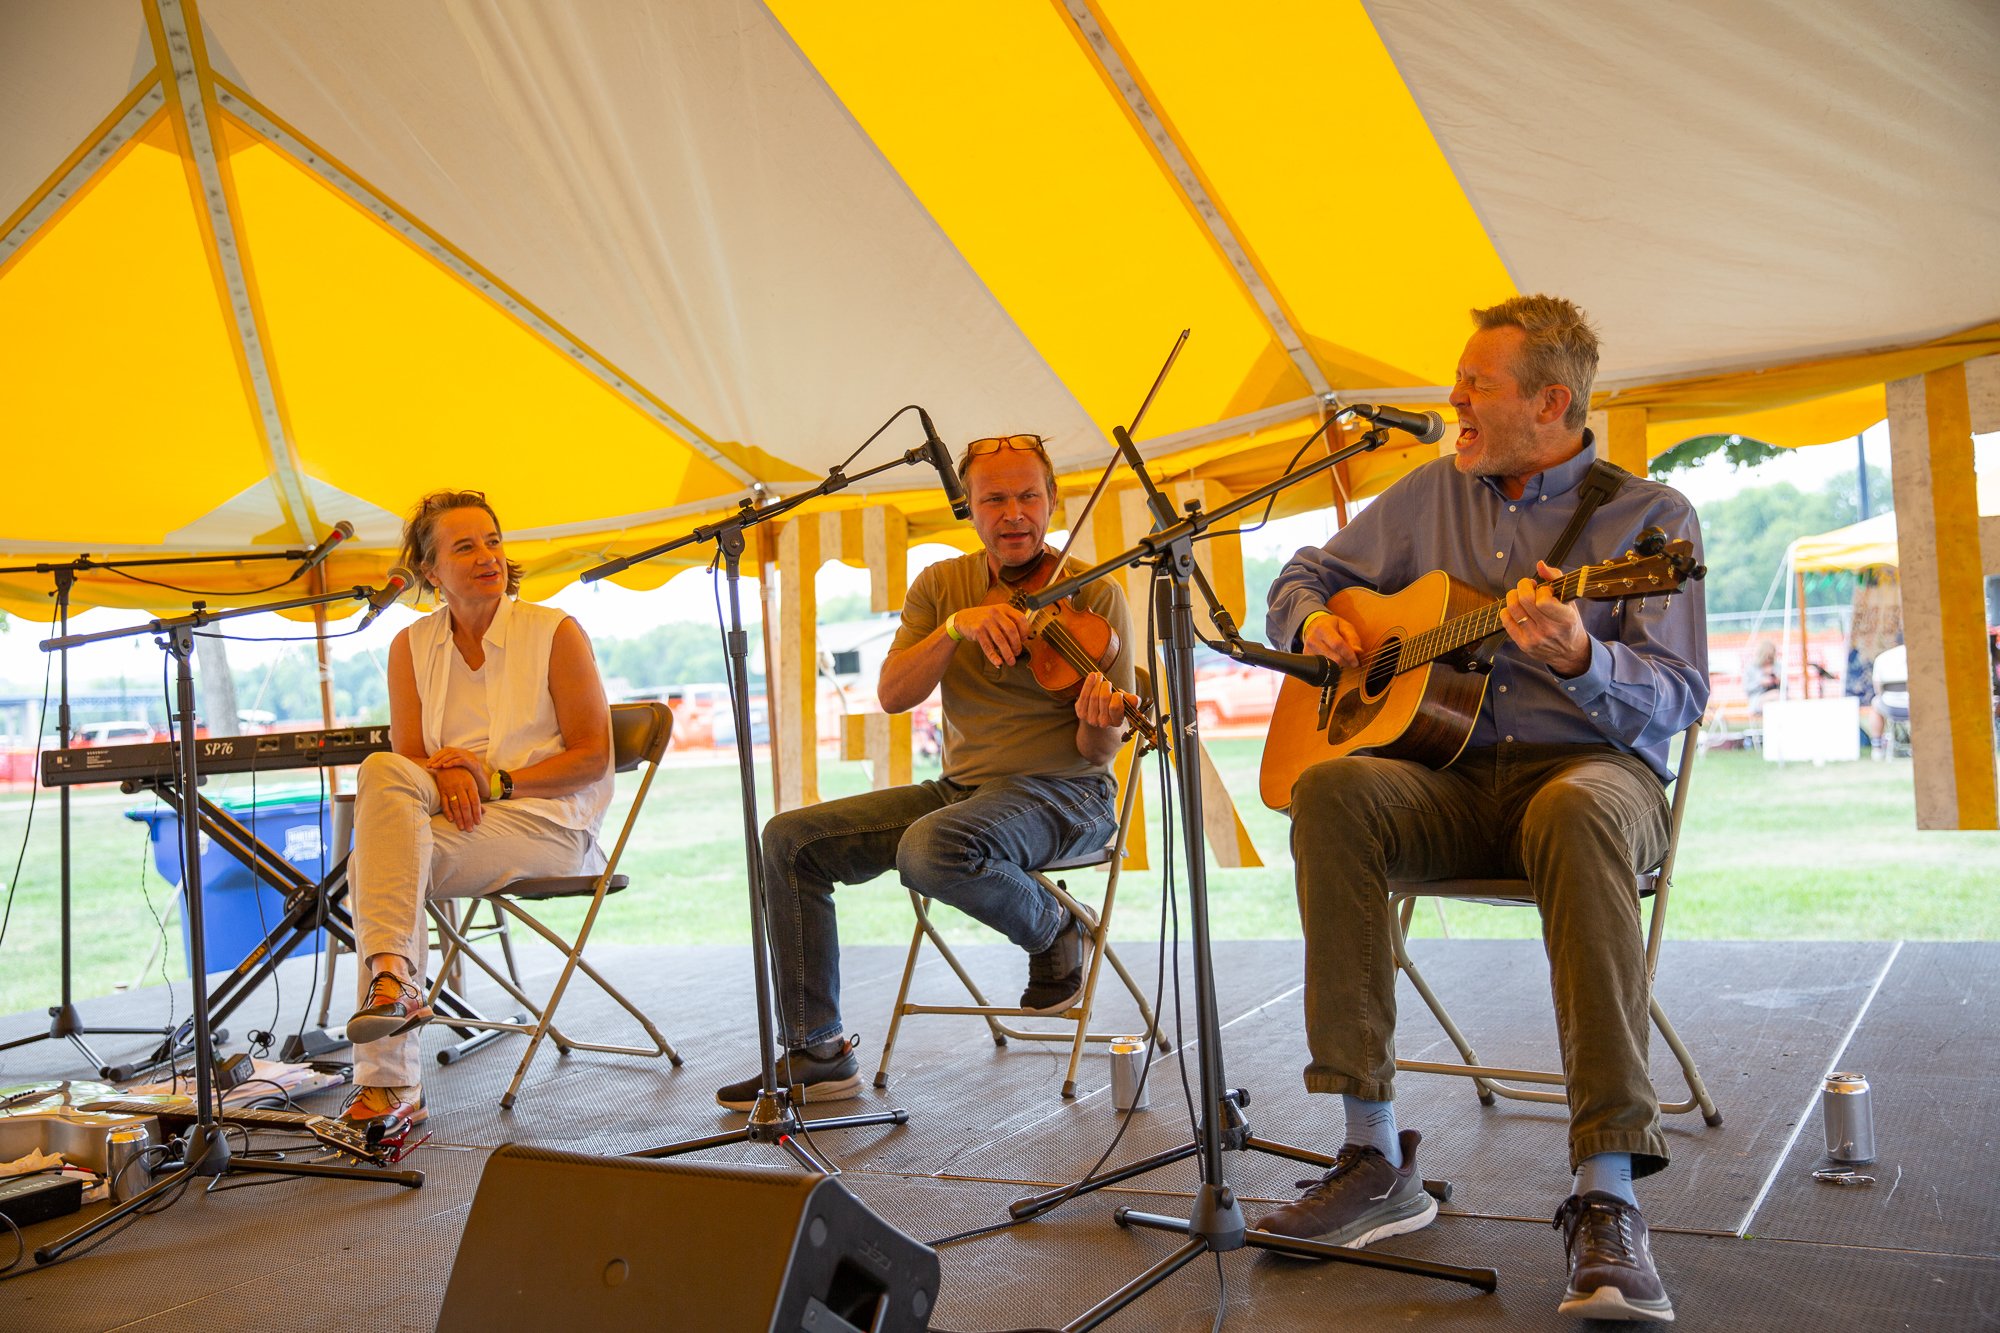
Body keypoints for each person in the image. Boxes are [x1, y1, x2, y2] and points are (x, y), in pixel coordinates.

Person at [1262, 295, 1707, 1323]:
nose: (1452, 398)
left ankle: (1604, 1197)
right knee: (1329, 789)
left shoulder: (1647, 520)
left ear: (1548, 401)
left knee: (1576, 812)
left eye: (1475, 382)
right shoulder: (1426, 494)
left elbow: (1680, 693)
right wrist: (1321, 619)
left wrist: (1581, 654)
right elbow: (1300, 572)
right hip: (1451, 783)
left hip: (1592, 775)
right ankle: (1371, 1154)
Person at [716, 433, 1137, 1110]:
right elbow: (891, 694)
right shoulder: (942, 585)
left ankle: (1055, 927)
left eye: (1029, 495)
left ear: (1054, 502)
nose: (1013, 513)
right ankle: (817, 1050)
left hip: (1068, 794)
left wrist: (1099, 716)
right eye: (993, 498)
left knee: (931, 844)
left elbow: (1098, 750)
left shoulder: (1095, 593)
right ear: (968, 509)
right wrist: (952, 630)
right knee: (789, 839)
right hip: (964, 793)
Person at [340, 490, 614, 1132]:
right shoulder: (409, 646)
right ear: (430, 571)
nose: (487, 555)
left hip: (549, 821)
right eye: (464, 546)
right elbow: (408, 767)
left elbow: (593, 758)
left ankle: (388, 1082)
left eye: (492, 540)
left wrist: (493, 779)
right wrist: (453, 773)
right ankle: (394, 980)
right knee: (380, 772)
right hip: (450, 815)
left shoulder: (555, 631)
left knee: (378, 868)